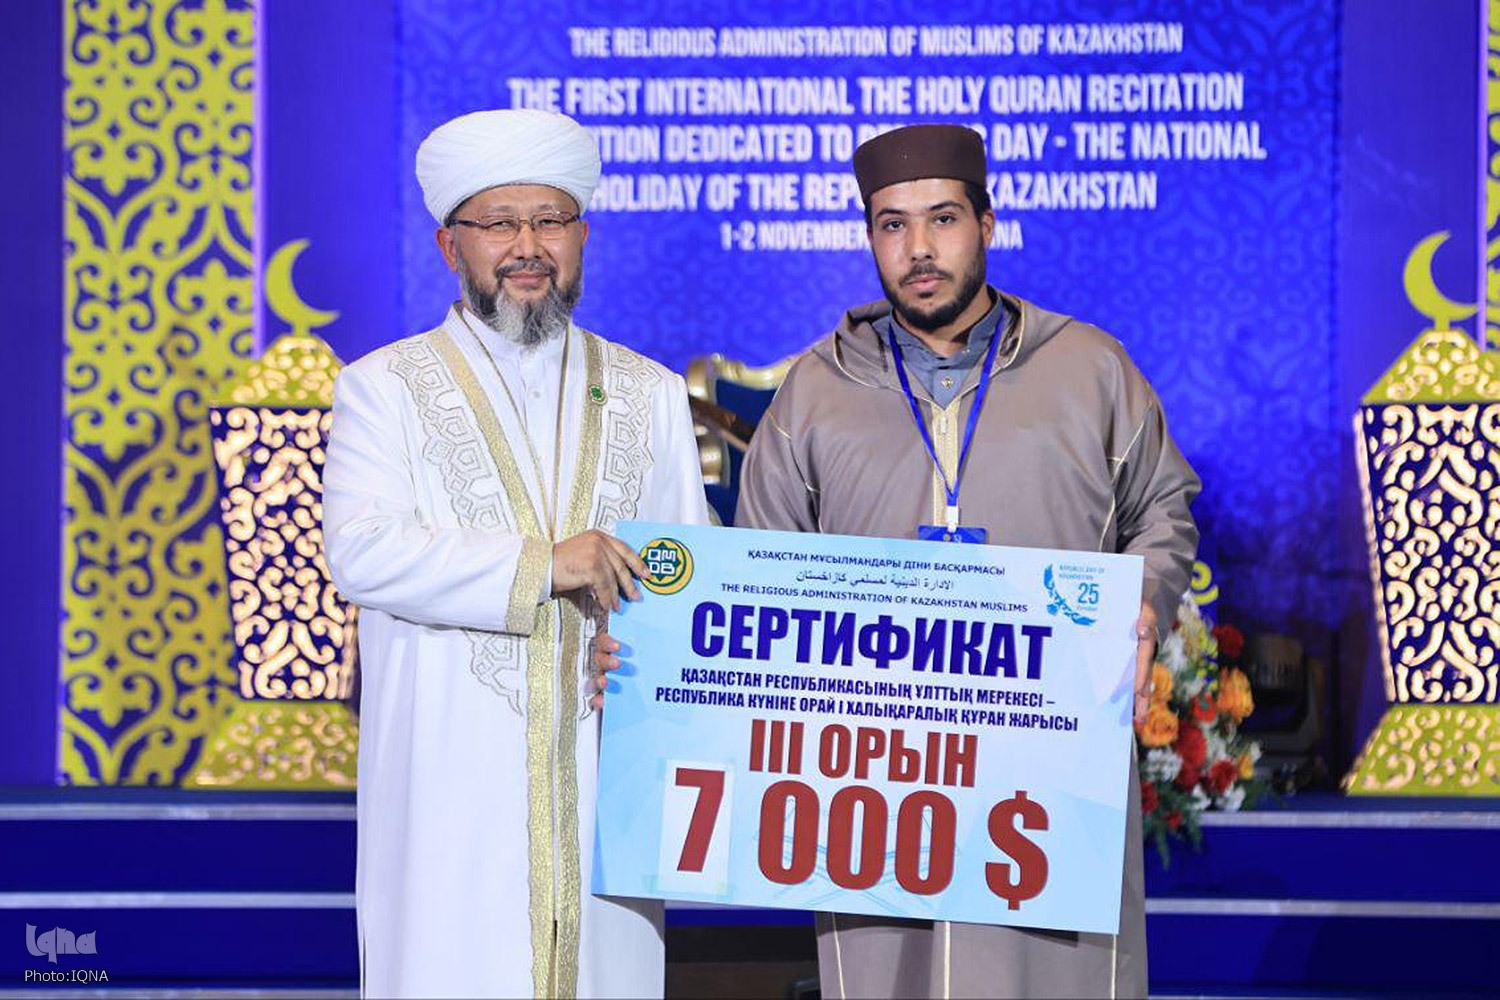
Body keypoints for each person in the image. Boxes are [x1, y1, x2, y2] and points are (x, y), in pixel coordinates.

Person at [737, 124, 1200, 997]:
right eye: (893, 224)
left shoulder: (1090, 370)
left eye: (942, 219)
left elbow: (1162, 508)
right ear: (869, 237)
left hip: (1049, 756)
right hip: (875, 769)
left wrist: (1143, 603)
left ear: (987, 224)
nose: (918, 248)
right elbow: (757, 566)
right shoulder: (816, 393)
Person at [323, 108, 709, 999]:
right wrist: (544, 566)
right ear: (449, 244)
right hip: (446, 794)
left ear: (583, 237)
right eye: (499, 224)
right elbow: (363, 551)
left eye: (551, 221)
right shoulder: (384, 389)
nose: (527, 247)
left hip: (607, 775)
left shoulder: (651, 393)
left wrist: (652, 657)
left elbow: (687, 578)